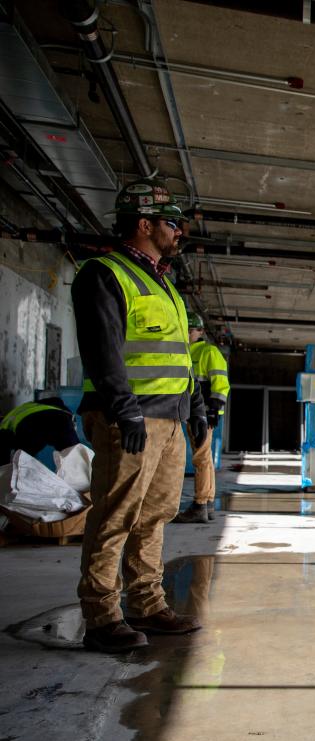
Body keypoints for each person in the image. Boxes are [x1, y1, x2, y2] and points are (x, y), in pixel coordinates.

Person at [71, 178, 208, 654]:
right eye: (173, 224)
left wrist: (193, 408)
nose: (179, 233)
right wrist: (124, 410)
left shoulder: (164, 282)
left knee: (155, 515)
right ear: (144, 224)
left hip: (168, 421)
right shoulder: (104, 274)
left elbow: (177, 357)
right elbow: (103, 351)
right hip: (130, 419)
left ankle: (146, 603)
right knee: (115, 516)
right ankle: (101, 614)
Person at [174, 313, 229, 523]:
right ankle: (207, 503)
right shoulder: (183, 351)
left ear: (200, 332)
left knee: (201, 458)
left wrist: (214, 409)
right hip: (187, 412)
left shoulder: (208, 352)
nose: (188, 334)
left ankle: (200, 504)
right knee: (202, 458)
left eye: (191, 330)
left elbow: (221, 383)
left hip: (203, 413)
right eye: (185, 329)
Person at [0, 398, 80, 462]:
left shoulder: (34, 408)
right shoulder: (62, 419)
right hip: (9, 439)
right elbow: (74, 455)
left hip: (5, 436)